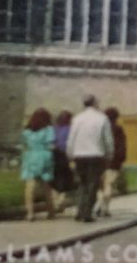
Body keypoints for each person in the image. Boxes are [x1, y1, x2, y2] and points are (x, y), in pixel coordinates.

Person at [66, 94, 113, 223]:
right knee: (93, 184)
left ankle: (79, 210)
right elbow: (108, 140)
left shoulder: (77, 119)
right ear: (94, 103)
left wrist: (70, 154)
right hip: (96, 154)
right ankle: (87, 212)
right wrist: (109, 154)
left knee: (82, 183)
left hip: (79, 154)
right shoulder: (102, 119)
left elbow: (71, 138)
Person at [18, 108, 58, 222]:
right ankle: (51, 211)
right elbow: (51, 145)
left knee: (29, 186)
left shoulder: (27, 131)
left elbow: (23, 145)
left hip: (30, 156)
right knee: (46, 186)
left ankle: (30, 213)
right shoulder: (48, 129)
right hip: (45, 156)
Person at [98, 107, 129, 219]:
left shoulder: (100, 128)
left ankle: (100, 204)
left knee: (100, 186)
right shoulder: (118, 129)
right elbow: (122, 146)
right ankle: (105, 208)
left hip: (100, 159)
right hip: (114, 161)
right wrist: (121, 159)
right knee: (109, 185)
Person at [50, 109, 75, 215]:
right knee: (66, 180)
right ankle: (60, 201)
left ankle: (55, 202)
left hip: (54, 156)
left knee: (54, 181)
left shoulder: (53, 129)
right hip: (65, 156)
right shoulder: (71, 129)